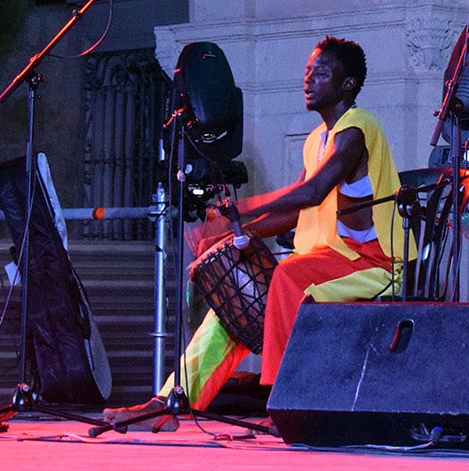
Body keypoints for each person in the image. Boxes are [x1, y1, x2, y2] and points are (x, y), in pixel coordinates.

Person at [104, 36, 403, 429]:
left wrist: (243, 207)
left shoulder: (358, 127)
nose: (309, 79)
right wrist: (235, 231)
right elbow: (298, 211)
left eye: (322, 73)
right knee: (231, 302)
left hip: (372, 264)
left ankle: (282, 403)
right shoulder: (317, 139)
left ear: (348, 85)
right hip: (325, 261)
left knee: (284, 277)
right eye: (307, 71)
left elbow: (311, 193)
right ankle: (170, 404)